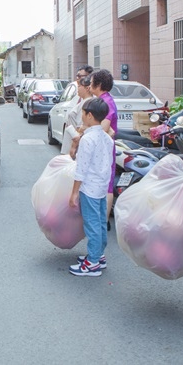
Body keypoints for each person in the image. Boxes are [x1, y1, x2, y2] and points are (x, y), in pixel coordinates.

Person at [68, 97, 114, 276]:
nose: (81, 115)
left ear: (89, 115)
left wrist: (74, 193)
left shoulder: (88, 140)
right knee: (101, 222)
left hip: (89, 188)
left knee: (92, 224)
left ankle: (93, 263)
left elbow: (81, 169)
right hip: (101, 186)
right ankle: (98, 255)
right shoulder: (106, 138)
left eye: (83, 113)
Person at [88, 69, 118, 227]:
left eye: (92, 82)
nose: (89, 85)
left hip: (103, 151)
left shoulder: (105, 102)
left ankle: (103, 222)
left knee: (106, 186)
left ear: (98, 84)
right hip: (103, 150)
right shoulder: (106, 99)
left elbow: (104, 128)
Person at [61, 75, 94, 155]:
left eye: (79, 86)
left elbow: (80, 128)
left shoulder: (87, 103)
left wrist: (74, 147)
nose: (77, 88)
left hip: (75, 143)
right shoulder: (82, 101)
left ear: (87, 88)